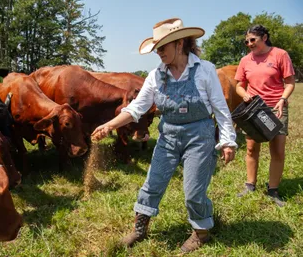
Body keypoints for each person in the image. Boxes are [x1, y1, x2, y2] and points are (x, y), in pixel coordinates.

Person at [91, 18, 237, 253]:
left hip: (199, 136)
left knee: (193, 191)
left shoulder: (204, 70)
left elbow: (220, 109)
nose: (158, 53)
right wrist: (109, 125)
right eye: (156, 48)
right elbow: (136, 108)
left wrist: (228, 141)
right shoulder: (156, 76)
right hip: (168, 136)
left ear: (179, 44)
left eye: (162, 47)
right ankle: (139, 229)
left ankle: (201, 232)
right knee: (152, 183)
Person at [235, 25, 295, 207]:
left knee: (277, 150)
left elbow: (290, 83)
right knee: (252, 148)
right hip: (254, 108)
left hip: (276, 107)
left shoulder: (280, 55)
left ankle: (273, 190)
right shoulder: (245, 60)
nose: (249, 44)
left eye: (253, 39)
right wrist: (243, 94)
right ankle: (250, 185)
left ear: (265, 37)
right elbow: (239, 85)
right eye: (247, 41)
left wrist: (282, 99)